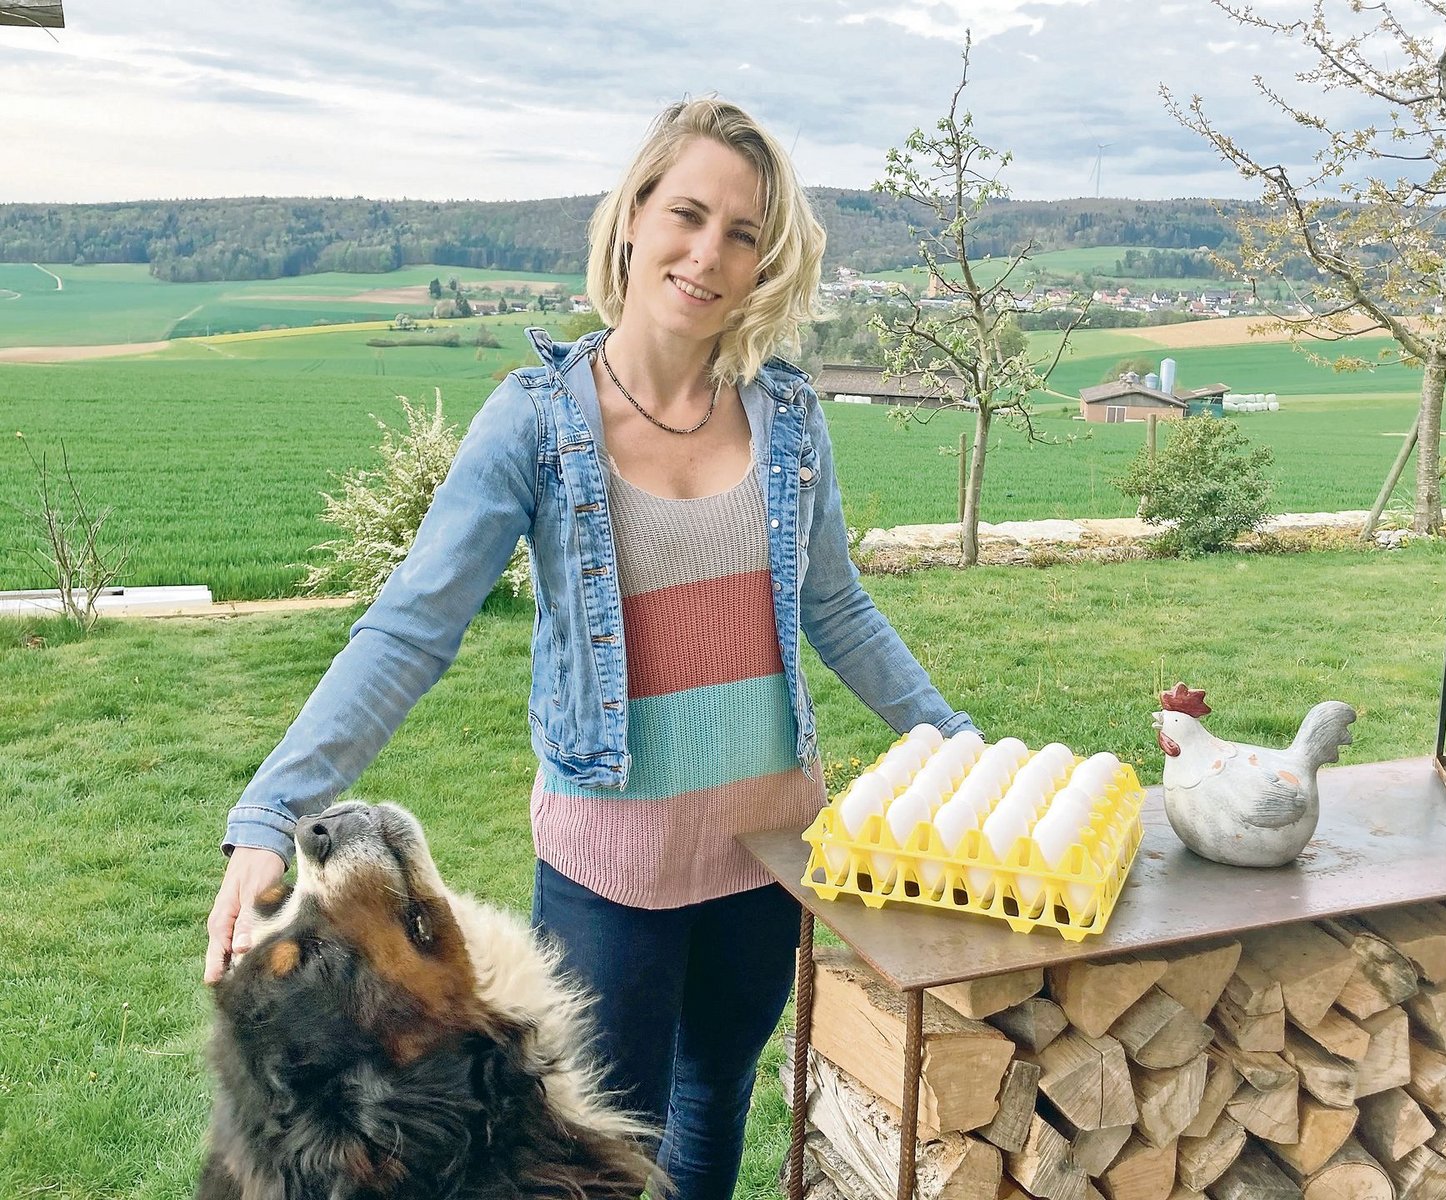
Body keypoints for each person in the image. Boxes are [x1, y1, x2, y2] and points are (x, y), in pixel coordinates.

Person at [204, 97, 976, 1199]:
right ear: (634, 216)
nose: (707, 255)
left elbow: (837, 607)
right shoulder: (536, 422)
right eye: (687, 214)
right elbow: (411, 627)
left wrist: (957, 741)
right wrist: (273, 810)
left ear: (766, 262)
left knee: (718, 1096)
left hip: (770, 854)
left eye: (743, 233)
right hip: (613, 876)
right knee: (605, 1149)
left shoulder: (790, 420)